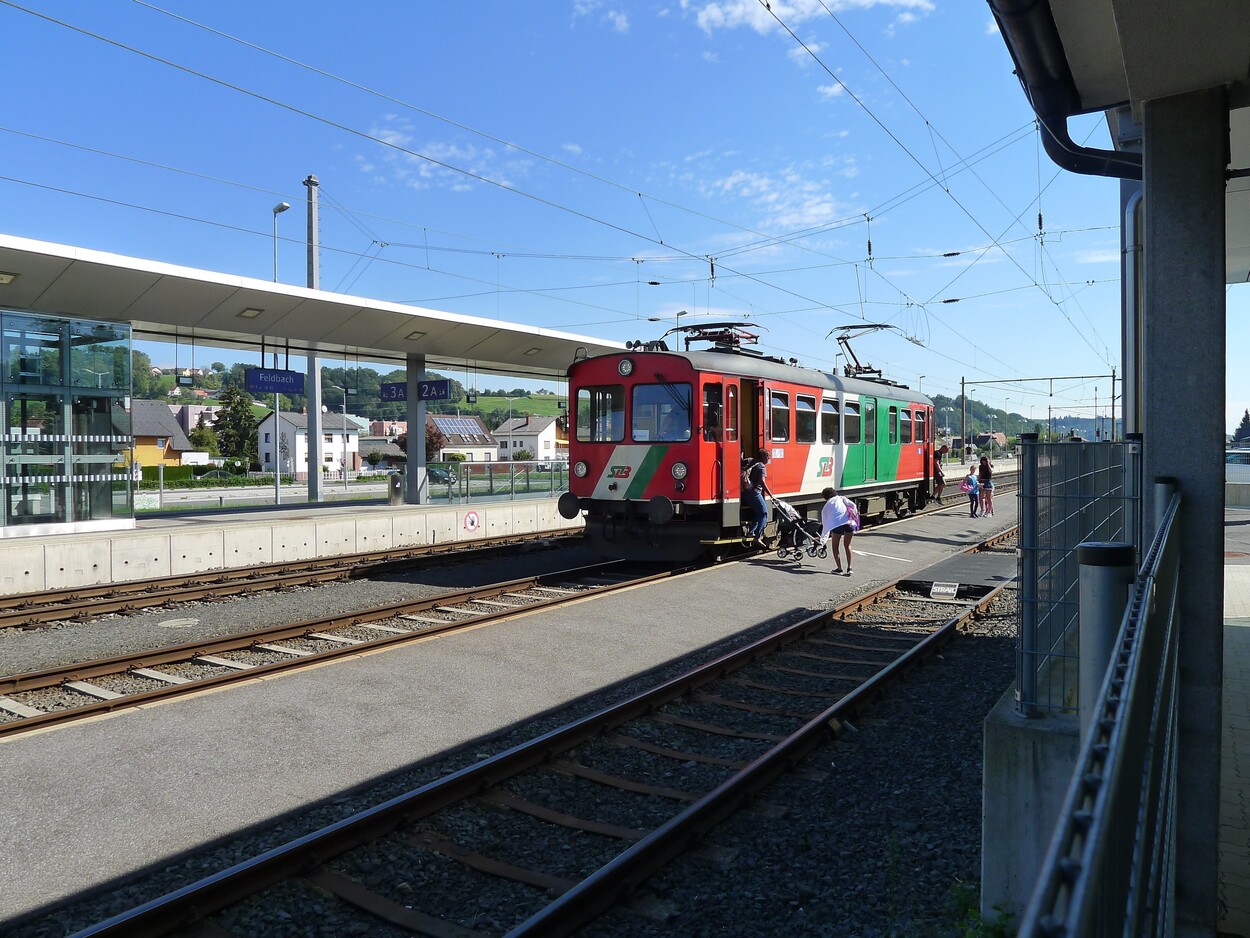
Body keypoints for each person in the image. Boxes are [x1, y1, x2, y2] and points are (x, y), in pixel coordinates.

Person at [819, 486, 857, 575]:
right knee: (847, 545)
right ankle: (849, 568)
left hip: (837, 526)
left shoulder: (827, 505)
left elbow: (825, 519)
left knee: (835, 547)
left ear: (825, 497)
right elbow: (853, 506)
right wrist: (854, 517)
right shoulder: (842, 498)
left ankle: (839, 569)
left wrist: (824, 535)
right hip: (849, 523)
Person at [744, 450, 773, 548]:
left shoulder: (751, 461)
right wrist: (770, 494)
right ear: (764, 457)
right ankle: (758, 536)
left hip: (746, 493)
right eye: (768, 457)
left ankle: (751, 532)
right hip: (755, 493)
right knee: (764, 513)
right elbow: (762, 481)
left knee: (758, 513)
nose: (769, 459)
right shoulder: (761, 467)